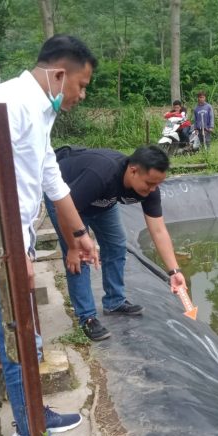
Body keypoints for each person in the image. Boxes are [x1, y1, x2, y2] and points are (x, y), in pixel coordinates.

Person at [0, 35, 99, 436]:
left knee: (25, 338)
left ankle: (36, 416)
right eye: (81, 85)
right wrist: (16, 255)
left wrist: (76, 234)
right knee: (19, 342)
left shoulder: (38, 107)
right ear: (59, 75)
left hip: (5, 246)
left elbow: (48, 172)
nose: (81, 95)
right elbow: (2, 188)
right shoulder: (13, 104)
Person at [45, 145, 187, 341]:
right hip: (67, 199)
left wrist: (174, 271)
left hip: (102, 201)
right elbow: (63, 210)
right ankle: (86, 317)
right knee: (80, 256)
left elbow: (159, 230)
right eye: (149, 183)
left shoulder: (150, 188)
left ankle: (115, 302)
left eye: (157, 185)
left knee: (116, 244)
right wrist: (72, 246)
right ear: (133, 170)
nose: (152, 190)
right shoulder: (101, 174)